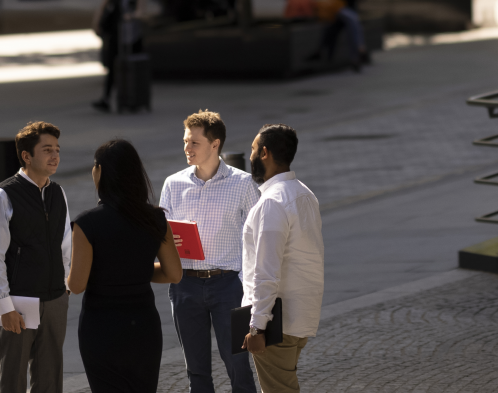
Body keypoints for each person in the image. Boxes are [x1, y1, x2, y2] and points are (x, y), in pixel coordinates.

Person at [68, 139, 185, 393]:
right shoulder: (154, 217)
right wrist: (137, 273)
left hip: (101, 326)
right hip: (143, 325)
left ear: (99, 171)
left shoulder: (86, 223)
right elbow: (174, 274)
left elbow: (76, 285)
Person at [158, 111, 260, 393]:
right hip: (184, 284)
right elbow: (163, 234)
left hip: (228, 284)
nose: (187, 149)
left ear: (215, 145)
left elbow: (259, 238)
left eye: (194, 143)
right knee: (196, 370)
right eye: (185, 141)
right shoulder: (173, 184)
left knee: (238, 364)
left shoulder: (243, 184)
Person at [0, 122, 73, 393]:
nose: (54, 155)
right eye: (47, 150)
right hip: (18, 301)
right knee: (14, 376)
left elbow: (65, 244)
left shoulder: (57, 192)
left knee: (50, 378)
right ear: (26, 156)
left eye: (56, 149)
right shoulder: (2, 196)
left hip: (55, 298)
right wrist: (3, 305)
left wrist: (65, 286)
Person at [238, 124, 323, 393]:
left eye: (253, 149)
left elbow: (266, 270)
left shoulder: (272, 202)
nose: (250, 155)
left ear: (264, 153)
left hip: (277, 321)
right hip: (301, 316)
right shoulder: (305, 194)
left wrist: (257, 327)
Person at [93, 0, 149, 112]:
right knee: (113, 66)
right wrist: (97, 23)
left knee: (134, 69)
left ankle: (135, 99)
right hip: (116, 36)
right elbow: (103, 8)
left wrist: (132, 16)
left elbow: (142, 13)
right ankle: (107, 98)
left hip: (133, 38)